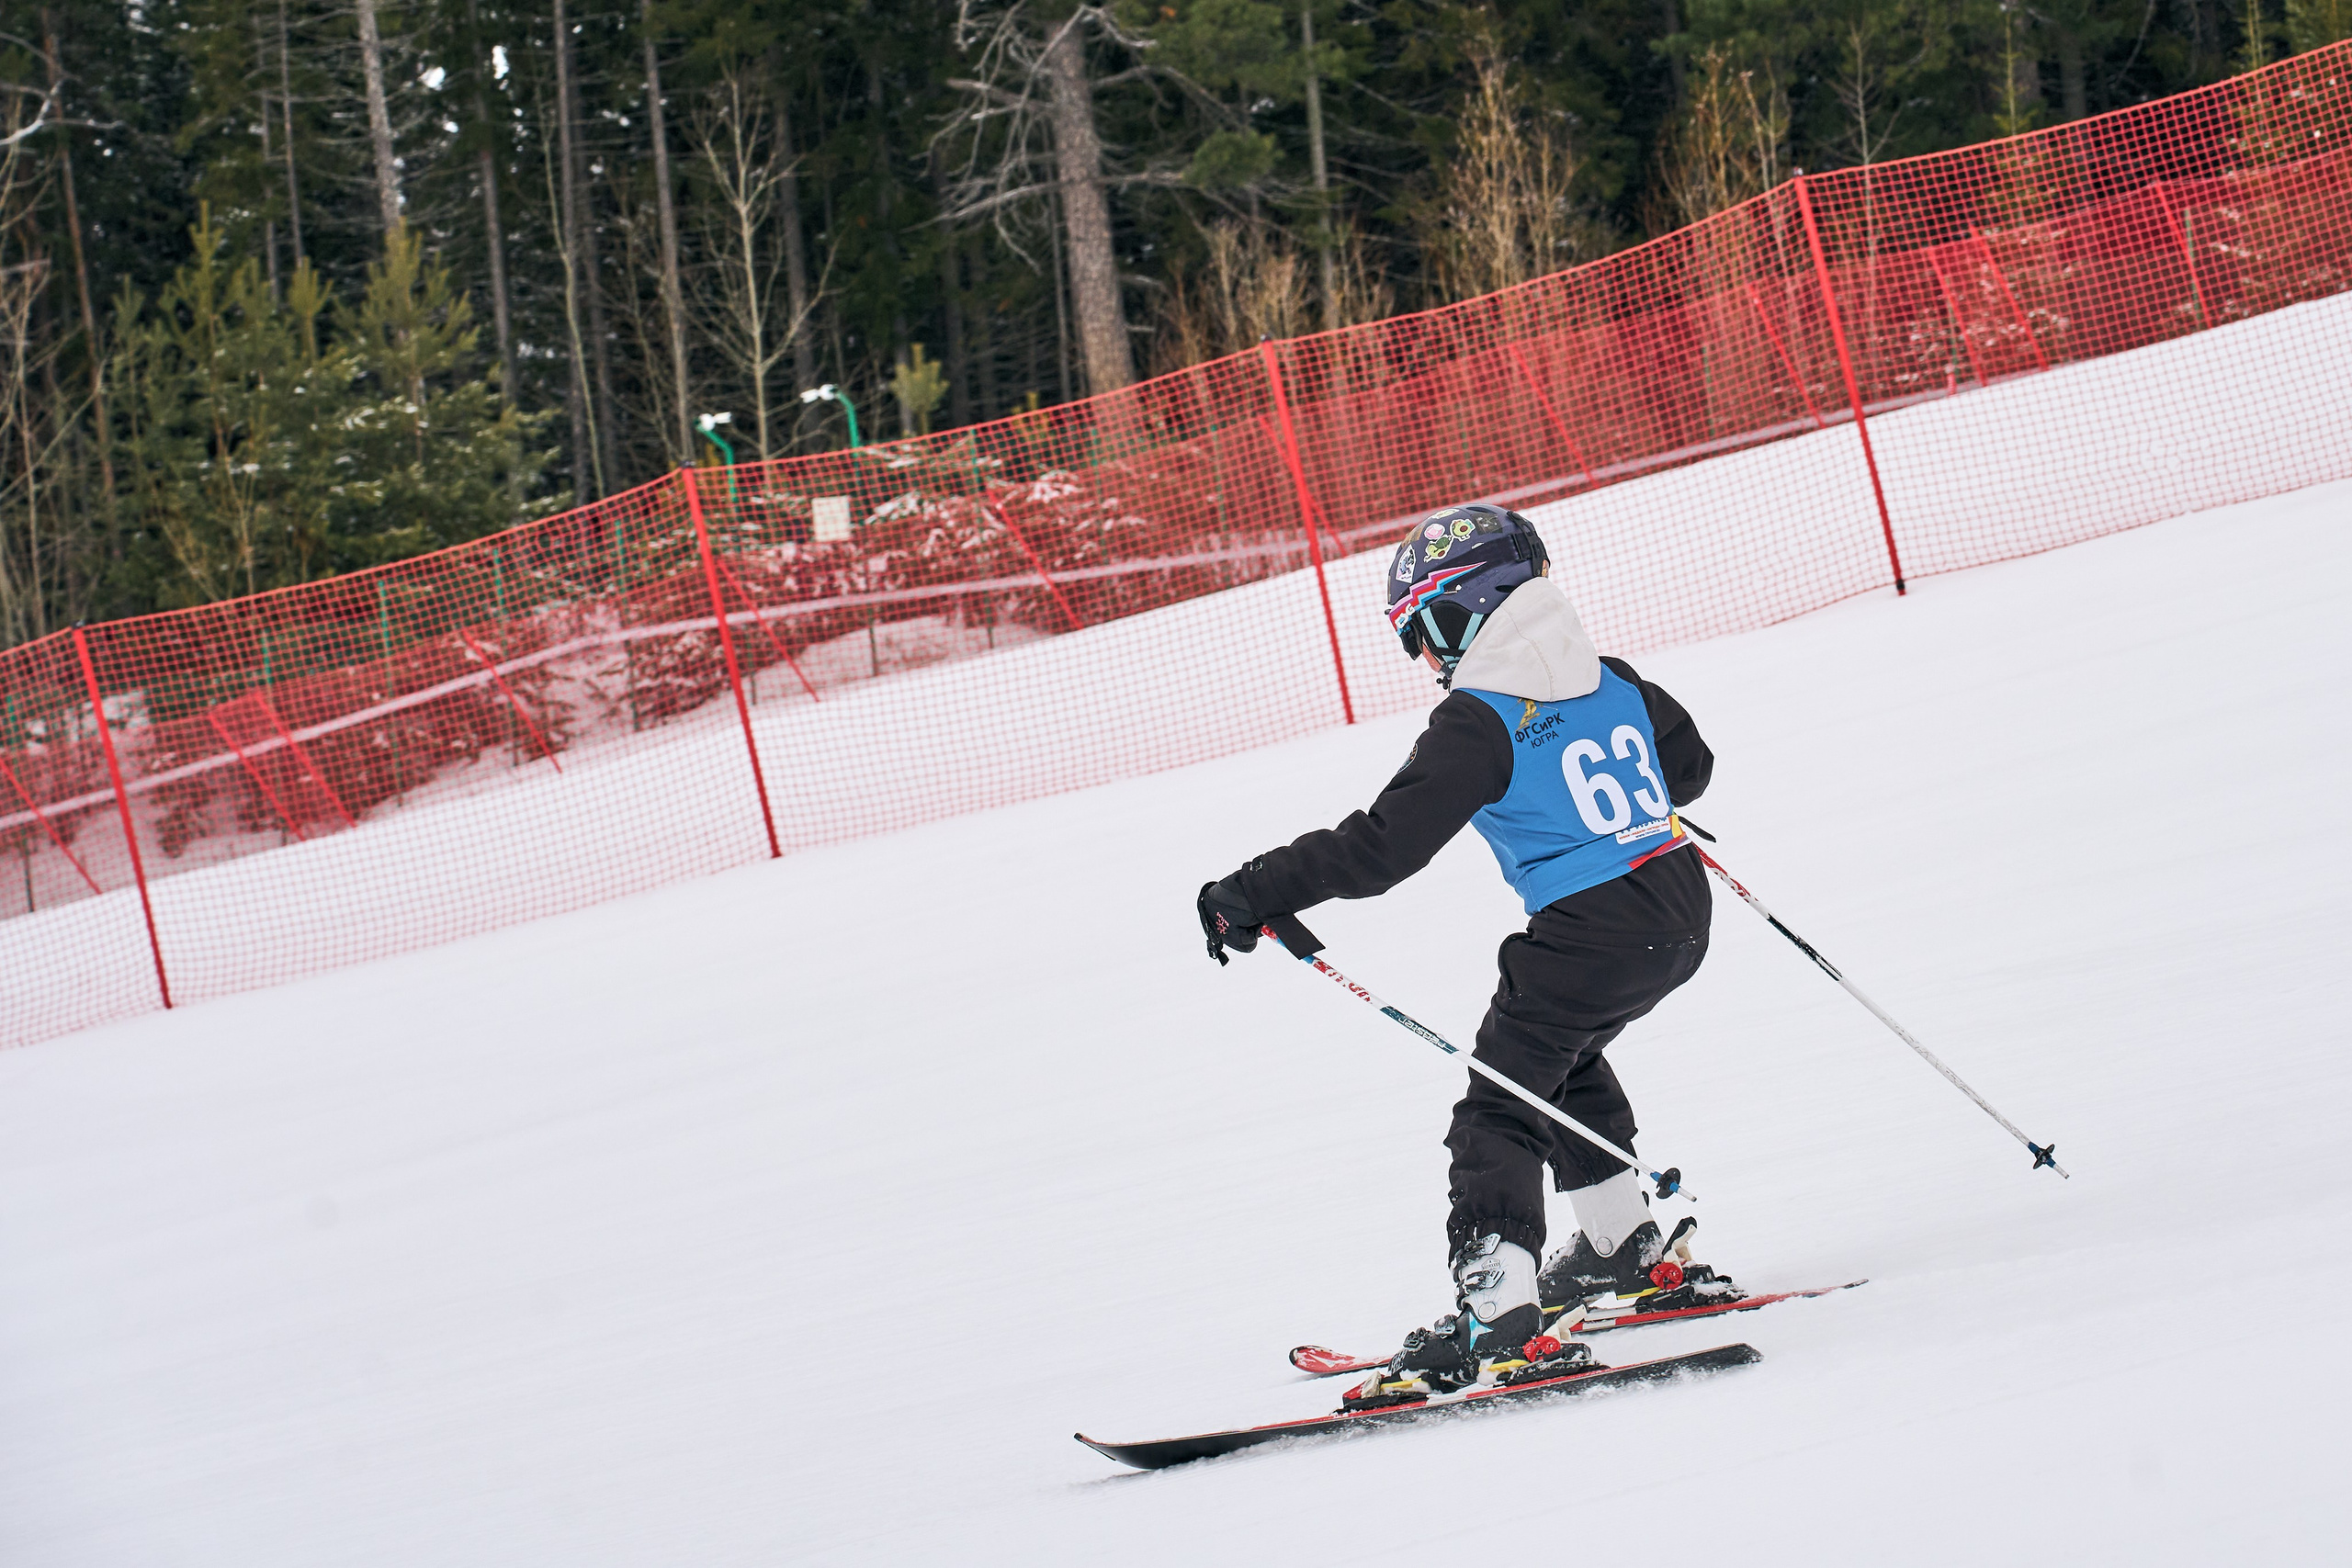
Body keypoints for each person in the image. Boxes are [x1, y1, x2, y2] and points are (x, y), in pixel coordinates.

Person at [1197, 502, 1740, 1393]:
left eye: (1425, 631)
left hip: (1587, 930)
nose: (1424, 657)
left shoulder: (1478, 718)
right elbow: (1691, 771)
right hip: (1679, 910)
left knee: (1498, 1107)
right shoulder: (1613, 678)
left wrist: (1253, 890)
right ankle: (1620, 1244)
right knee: (1559, 1060)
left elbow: (1382, 847)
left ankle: (1498, 1312)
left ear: (1467, 612)